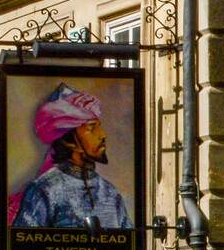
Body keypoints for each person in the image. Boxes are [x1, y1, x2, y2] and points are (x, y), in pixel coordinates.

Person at [8, 83, 132, 230]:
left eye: (99, 126)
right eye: (92, 128)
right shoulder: (44, 191)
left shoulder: (110, 193)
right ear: (69, 140)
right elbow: (25, 246)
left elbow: (128, 242)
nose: (102, 135)